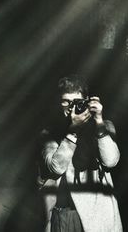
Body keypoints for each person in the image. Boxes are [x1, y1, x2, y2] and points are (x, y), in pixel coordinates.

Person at [37, 75, 122, 232]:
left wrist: (99, 122)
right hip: (65, 216)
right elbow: (55, 167)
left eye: (77, 102)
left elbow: (111, 161)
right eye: (65, 102)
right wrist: (72, 132)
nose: (71, 108)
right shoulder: (49, 133)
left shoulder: (103, 126)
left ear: (87, 102)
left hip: (99, 217)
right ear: (58, 103)